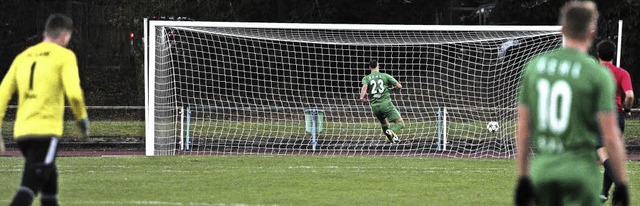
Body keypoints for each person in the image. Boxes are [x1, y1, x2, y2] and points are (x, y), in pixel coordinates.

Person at [514, 1, 629, 206]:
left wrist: (523, 178)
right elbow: (610, 137)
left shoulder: (535, 67)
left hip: (544, 170)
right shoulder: (598, 74)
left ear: (562, 30)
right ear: (592, 33)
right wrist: (621, 183)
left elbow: (523, 129)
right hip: (580, 174)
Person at [0, 13, 89, 206]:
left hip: (22, 132)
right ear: (65, 36)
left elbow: (2, 93)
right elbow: (73, 93)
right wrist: (82, 118)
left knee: (50, 183)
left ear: (45, 33)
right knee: (28, 188)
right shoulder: (64, 56)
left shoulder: (22, 57)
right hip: (45, 132)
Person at [596, 39, 634, 201]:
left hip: (598, 115)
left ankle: (620, 184)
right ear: (613, 55)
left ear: (597, 55)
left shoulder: (593, 71)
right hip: (617, 116)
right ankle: (604, 192)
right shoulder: (622, 73)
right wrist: (626, 109)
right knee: (611, 155)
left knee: (602, 151)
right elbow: (630, 95)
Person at [359, 60, 405, 143]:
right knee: (400, 123)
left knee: (384, 123)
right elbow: (399, 86)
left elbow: (364, 87)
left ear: (369, 67)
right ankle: (391, 131)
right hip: (386, 104)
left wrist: (362, 97)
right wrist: (393, 89)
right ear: (378, 65)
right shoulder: (385, 76)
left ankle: (391, 140)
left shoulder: (366, 78)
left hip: (375, 106)